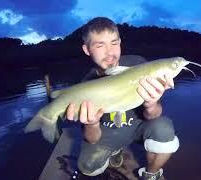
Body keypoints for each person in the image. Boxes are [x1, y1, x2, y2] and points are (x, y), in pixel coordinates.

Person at [65, 17, 179, 180]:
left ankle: (151, 174)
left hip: (139, 128)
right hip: (107, 134)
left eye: (114, 43)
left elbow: (154, 115)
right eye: (100, 45)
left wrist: (151, 104)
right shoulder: (86, 85)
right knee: (87, 167)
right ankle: (114, 151)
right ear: (87, 49)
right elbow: (91, 138)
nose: (110, 52)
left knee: (164, 128)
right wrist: (92, 123)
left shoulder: (139, 64)